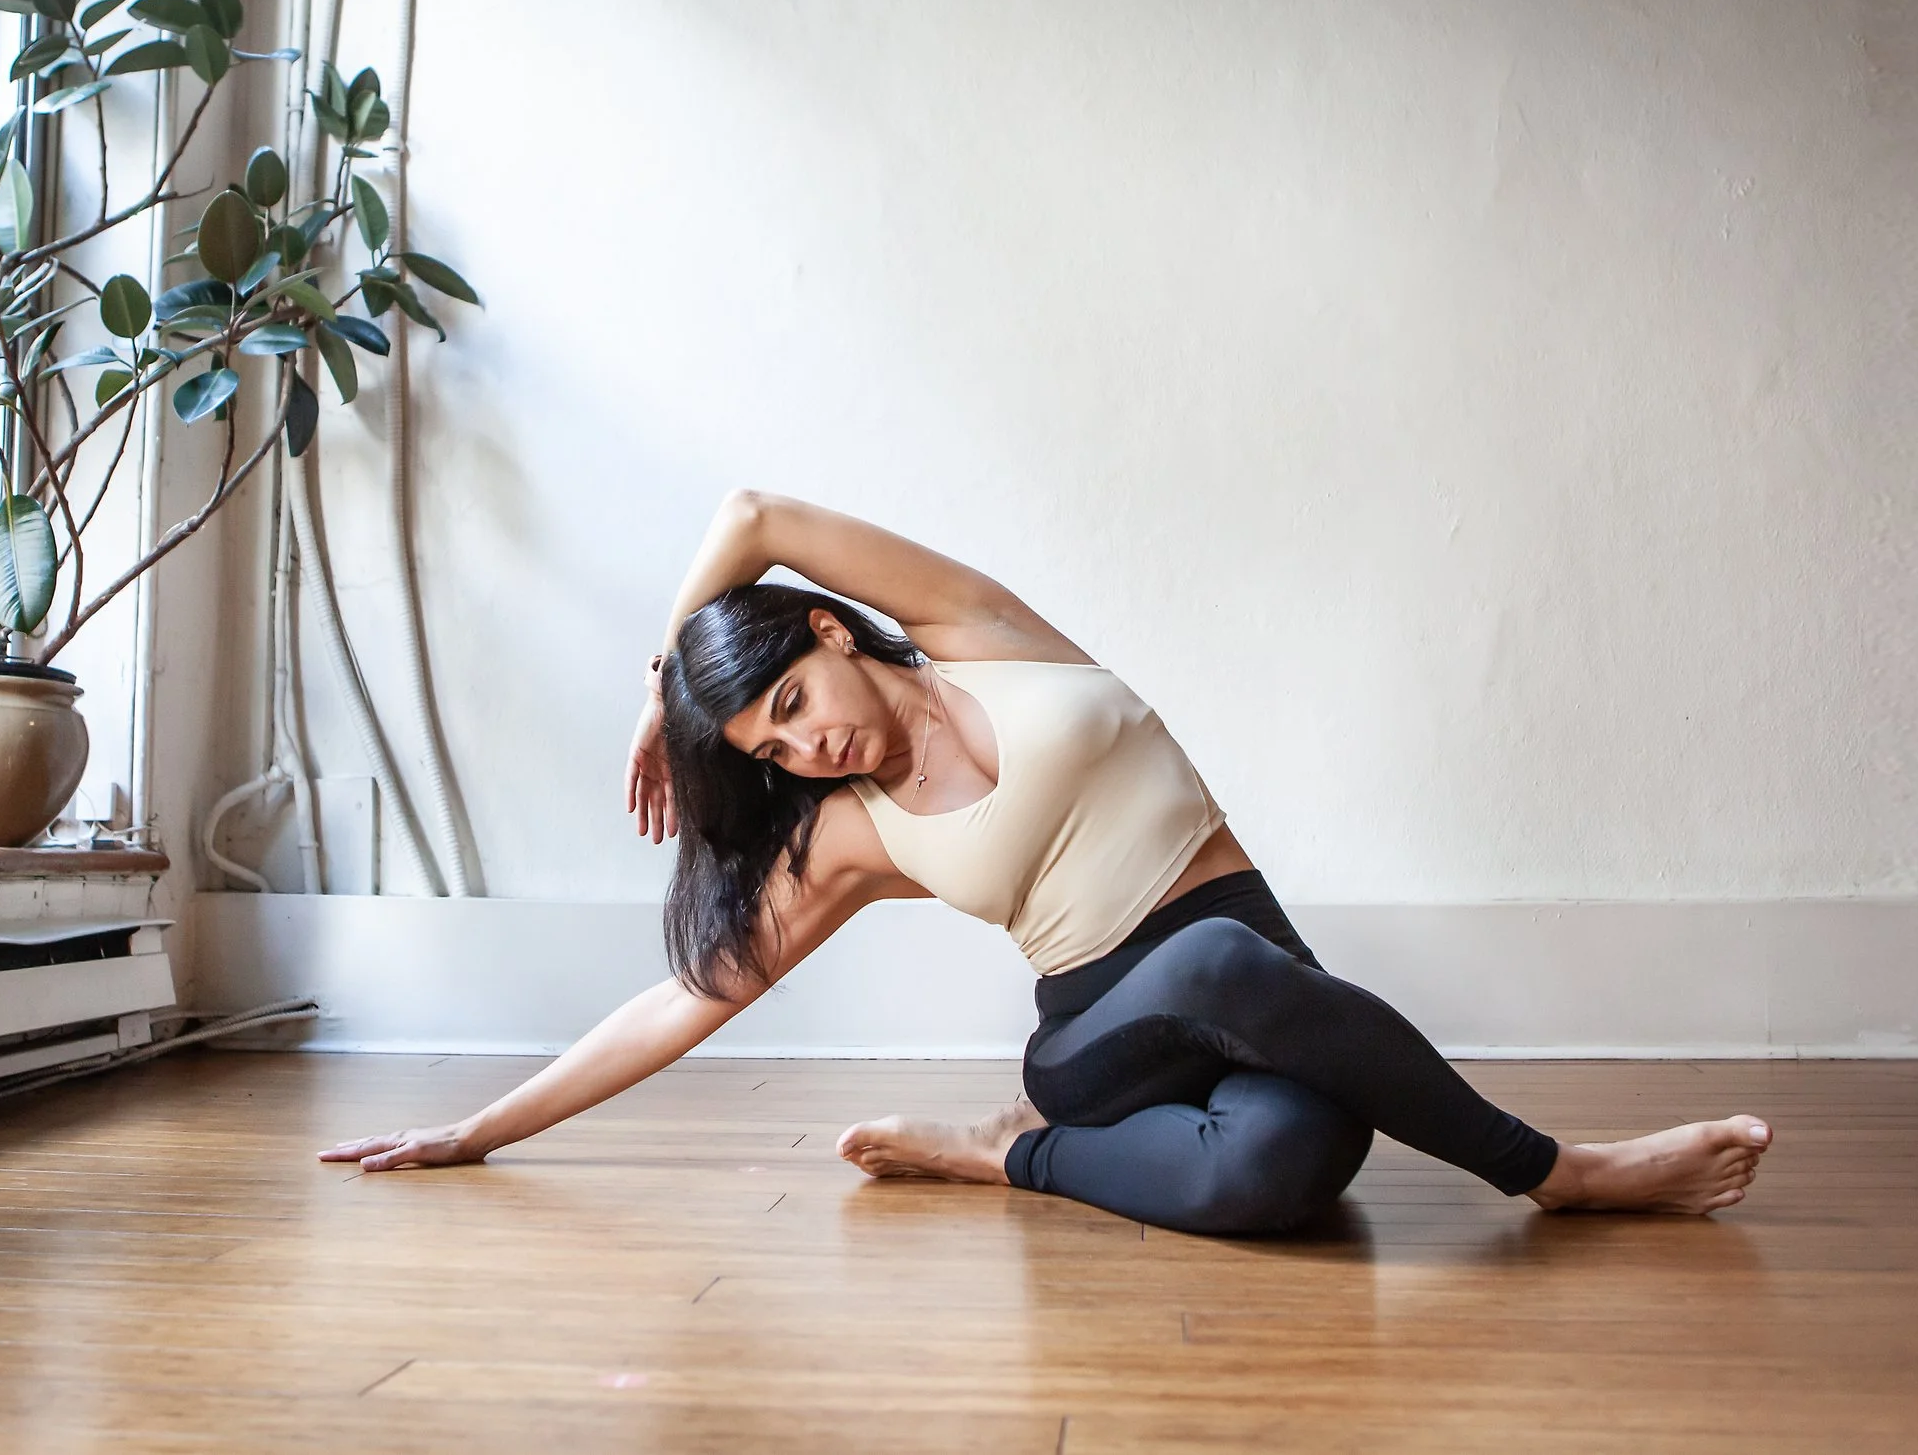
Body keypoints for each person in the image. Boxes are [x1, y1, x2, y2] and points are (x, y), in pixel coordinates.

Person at [320, 491, 1771, 1235]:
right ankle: (1564, 1173)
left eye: (788, 706)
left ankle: (1003, 1155)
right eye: (764, 751)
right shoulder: (850, 837)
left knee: (1297, 1164)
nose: (800, 750)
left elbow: (755, 510)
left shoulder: (980, 633)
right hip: (1100, 1038)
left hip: (1256, 970)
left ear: (828, 635)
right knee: (1205, 972)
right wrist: (480, 1129)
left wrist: (666, 676)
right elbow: (682, 1001)